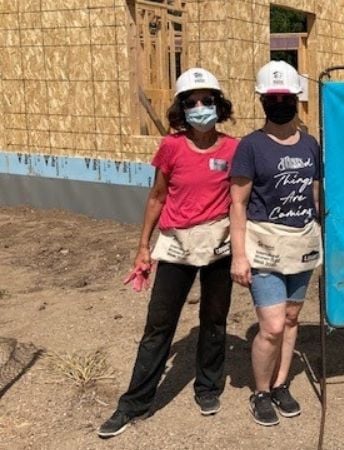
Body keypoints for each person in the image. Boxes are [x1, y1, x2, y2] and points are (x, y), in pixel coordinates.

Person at [98, 68, 237, 438]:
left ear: (218, 104)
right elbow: (157, 197)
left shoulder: (233, 149)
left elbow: (243, 199)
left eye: (207, 100)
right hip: (175, 245)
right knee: (159, 326)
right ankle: (134, 403)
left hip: (219, 245)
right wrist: (143, 248)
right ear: (181, 108)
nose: (200, 107)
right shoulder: (171, 147)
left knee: (214, 319)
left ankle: (207, 387)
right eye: (191, 102)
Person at [229, 60, 322, 426]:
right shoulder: (251, 146)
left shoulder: (311, 144)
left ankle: (282, 384)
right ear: (263, 100)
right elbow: (237, 202)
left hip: (302, 244)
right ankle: (261, 392)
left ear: (297, 98)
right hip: (265, 244)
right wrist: (239, 255)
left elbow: (315, 190)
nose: (280, 101)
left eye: (286, 96)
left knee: (292, 318)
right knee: (271, 326)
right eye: (273, 96)